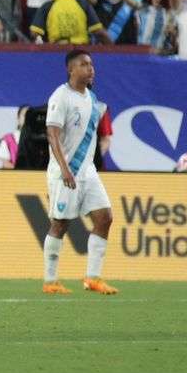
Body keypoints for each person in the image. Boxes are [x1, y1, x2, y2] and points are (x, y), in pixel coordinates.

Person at [41, 49, 118, 296]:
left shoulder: (93, 100)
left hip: (87, 171)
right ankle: (50, 281)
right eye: (84, 64)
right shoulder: (60, 96)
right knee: (60, 224)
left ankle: (92, 278)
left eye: (92, 64)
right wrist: (64, 169)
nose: (91, 69)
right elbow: (52, 134)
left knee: (104, 217)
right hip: (65, 171)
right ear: (71, 69)